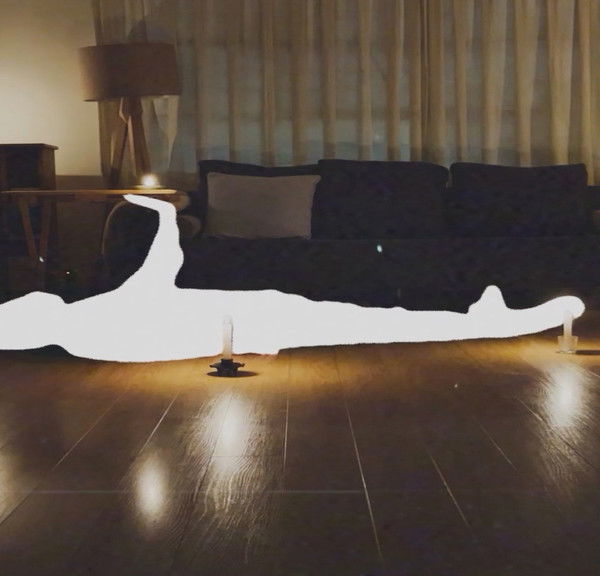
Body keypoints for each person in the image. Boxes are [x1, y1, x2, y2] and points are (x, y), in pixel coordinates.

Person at [0, 195, 585, 362]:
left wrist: (166, 218)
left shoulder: (89, 338)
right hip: (263, 318)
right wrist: (165, 217)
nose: (29, 294)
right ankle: (489, 324)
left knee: (379, 323)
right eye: (22, 303)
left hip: (259, 320)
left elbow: (161, 290)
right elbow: (161, 271)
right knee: (378, 325)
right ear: (32, 320)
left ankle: (482, 321)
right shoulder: (90, 325)